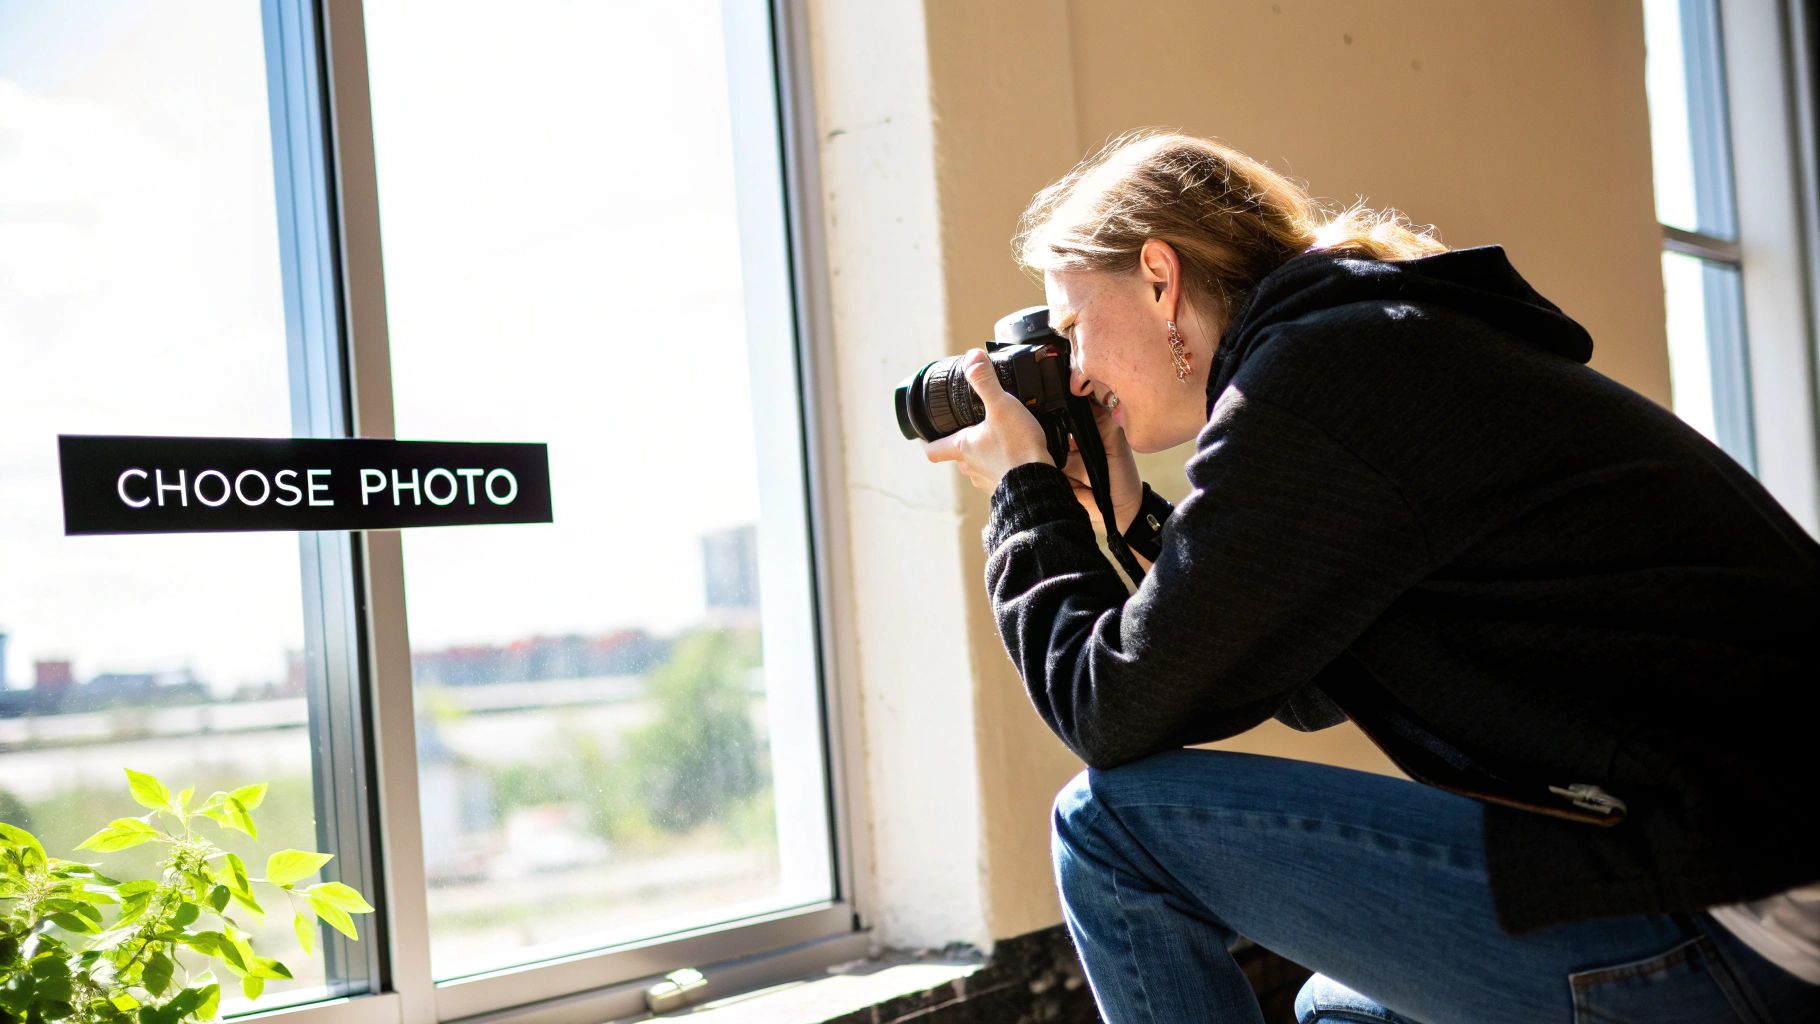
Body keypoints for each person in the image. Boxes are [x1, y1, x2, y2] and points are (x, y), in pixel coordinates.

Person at [923, 131, 1820, 1023]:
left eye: (1074, 326)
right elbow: (1313, 681)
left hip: (1750, 908)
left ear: (1160, 276)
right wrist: (1127, 521)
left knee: (1108, 826)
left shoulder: (1316, 378)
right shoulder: (1368, 342)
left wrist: (1022, 495)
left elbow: (1107, 712)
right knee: (1340, 1013)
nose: (1073, 372)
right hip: (1739, 864)